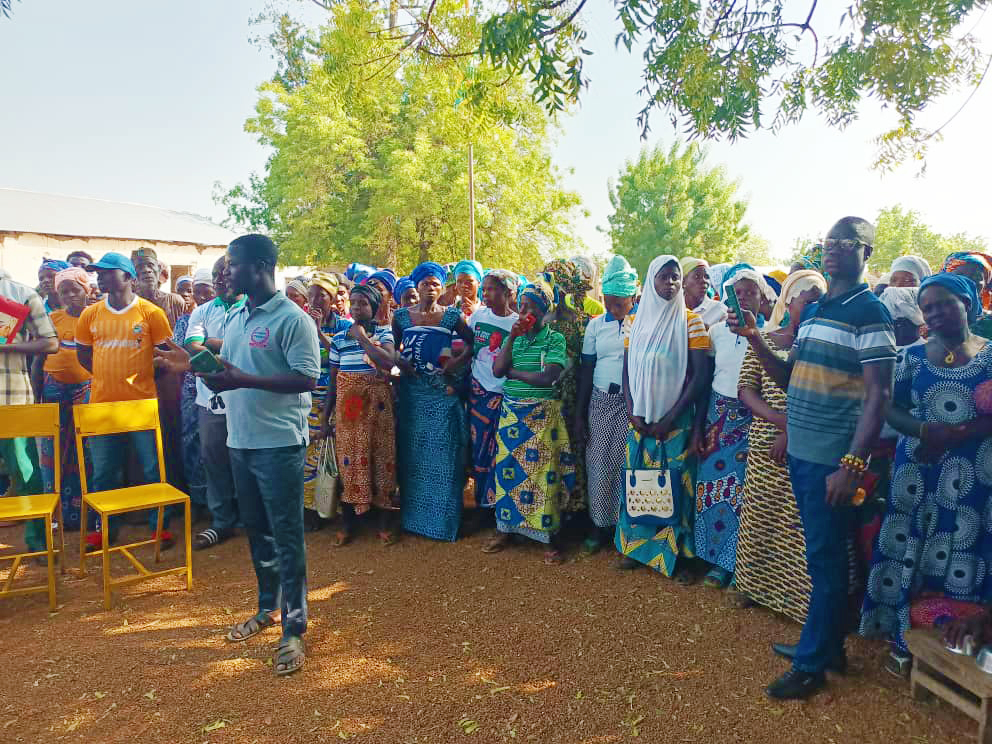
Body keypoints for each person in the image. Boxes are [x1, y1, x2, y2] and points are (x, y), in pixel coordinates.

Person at [728, 216, 896, 700]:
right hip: (801, 451)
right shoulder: (819, 310)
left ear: (867, 252)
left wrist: (852, 465)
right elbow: (789, 381)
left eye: (846, 242)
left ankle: (810, 664)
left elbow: (878, 395)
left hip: (833, 460)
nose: (833, 249)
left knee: (826, 557)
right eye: (828, 241)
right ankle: (828, 648)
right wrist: (757, 340)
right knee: (822, 554)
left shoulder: (870, 312)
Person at [161, 234, 320, 676]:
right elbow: (226, 370)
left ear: (263, 265)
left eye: (234, 264)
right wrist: (193, 365)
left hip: (279, 445)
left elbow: (306, 378)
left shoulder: (293, 319)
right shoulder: (235, 318)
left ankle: (294, 628)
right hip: (240, 442)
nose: (226, 273)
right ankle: (267, 607)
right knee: (258, 533)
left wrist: (241, 381)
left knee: (287, 536)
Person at [860, 274, 992, 675]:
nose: (933, 313)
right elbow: (887, 405)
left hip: (974, 474)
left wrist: (958, 434)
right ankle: (903, 636)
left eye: (943, 303)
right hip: (917, 471)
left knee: (962, 545)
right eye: (927, 306)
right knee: (910, 546)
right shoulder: (912, 355)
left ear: (967, 303)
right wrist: (924, 430)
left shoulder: (990, 354)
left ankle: (955, 644)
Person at [734, 270, 827, 621]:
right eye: (808, 300)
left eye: (820, 300)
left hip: (807, 446)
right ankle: (752, 586)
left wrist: (793, 432)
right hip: (763, 445)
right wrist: (781, 422)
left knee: (796, 527)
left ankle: (796, 601)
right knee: (759, 517)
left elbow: (820, 397)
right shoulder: (766, 339)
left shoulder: (821, 347)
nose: (815, 306)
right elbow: (746, 390)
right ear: (788, 301)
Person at [613, 256, 711, 582]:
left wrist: (671, 417)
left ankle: (680, 556)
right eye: (664, 277)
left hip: (676, 423)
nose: (670, 283)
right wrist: (631, 409)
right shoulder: (635, 321)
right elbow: (626, 371)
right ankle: (638, 549)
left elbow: (699, 378)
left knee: (677, 488)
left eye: (675, 278)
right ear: (650, 281)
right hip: (639, 421)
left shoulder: (692, 322)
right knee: (638, 484)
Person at [75, 253, 175, 549]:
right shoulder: (90, 314)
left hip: (142, 404)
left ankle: (161, 526)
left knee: (152, 467)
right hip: (102, 406)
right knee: (104, 470)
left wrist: (141, 379)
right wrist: (109, 379)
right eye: (98, 273)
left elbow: (166, 355)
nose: (100, 277)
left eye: (108, 272)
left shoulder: (150, 313)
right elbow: (83, 355)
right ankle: (104, 527)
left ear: (128, 277)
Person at [482, 279, 573, 564]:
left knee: (542, 476)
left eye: (530, 308)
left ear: (545, 313)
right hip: (512, 415)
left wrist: (515, 373)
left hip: (542, 415)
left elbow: (549, 378)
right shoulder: (517, 337)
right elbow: (497, 370)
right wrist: (511, 338)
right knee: (507, 472)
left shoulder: (554, 339)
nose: (524, 313)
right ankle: (505, 529)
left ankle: (547, 538)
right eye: (521, 307)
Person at [694, 265, 764, 589]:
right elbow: (705, 378)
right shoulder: (716, 332)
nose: (745, 296)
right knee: (710, 487)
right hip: (715, 418)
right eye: (739, 291)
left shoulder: (770, 334)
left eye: (752, 291)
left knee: (742, 493)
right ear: (727, 297)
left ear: (763, 298)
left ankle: (738, 566)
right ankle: (713, 560)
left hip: (750, 420)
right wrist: (699, 425)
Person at [393, 261, 473, 542]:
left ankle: (444, 523)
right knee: (413, 456)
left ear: (442, 289)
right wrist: (399, 363)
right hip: (413, 395)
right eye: (426, 283)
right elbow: (394, 350)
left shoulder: (452, 317)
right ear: (417, 286)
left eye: (436, 284)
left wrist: (455, 364)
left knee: (444, 456)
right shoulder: (401, 317)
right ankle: (414, 520)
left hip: (441, 393)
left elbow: (473, 344)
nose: (430, 288)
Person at [318, 283, 398, 545]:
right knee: (349, 465)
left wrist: (363, 338)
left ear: (374, 307)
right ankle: (349, 524)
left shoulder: (385, 333)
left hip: (379, 413)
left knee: (382, 461)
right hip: (349, 414)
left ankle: (384, 523)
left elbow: (388, 362)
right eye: (353, 303)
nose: (356, 308)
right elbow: (333, 381)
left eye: (363, 303)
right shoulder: (339, 341)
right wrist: (325, 416)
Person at [575, 255, 638, 553]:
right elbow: (586, 370)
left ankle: (628, 529)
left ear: (633, 298)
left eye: (619, 304)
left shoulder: (644, 324)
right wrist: (579, 415)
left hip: (634, 406)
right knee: (599, 464)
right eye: (608, 302)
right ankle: (600, 527)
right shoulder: (596, 326)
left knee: (630, 464)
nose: (613, 309)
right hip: (601, 401)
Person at [184, 258, 243, 550]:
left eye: (226, 273)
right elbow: (193, 345)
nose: (220, 279)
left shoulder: (251, 309)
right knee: (214, 458)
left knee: (245, 458)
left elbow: (250, 347)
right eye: (217, 274)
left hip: (246, 397)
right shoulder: (202, 310)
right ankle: (221, 520)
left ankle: (249, 517)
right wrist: (229, 345)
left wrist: (214, 343)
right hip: (210, 401)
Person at [0, 265, 58, 555]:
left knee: (25, 473)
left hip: (11, 399)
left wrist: (7, 347)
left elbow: (51, 342)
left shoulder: (20, 294)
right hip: (12, 398)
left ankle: (37, 542)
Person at [35, 268, 94, 535]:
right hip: (53, 390)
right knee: (53, 452)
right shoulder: (52, 318)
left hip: (88, 390)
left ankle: (86, 512)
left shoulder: (96, 317)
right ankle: (56, 514)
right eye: (64, 291)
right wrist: (38, 396)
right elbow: (38, 359)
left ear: (87, 290)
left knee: (87, 451)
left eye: (75, 289)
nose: (70, 295)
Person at [131, 247, 188, 494]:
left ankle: (175, 491)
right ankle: (144, 497)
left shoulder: (173, 301)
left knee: (171, 429)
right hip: (136, 376)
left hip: (168, 376)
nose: (146, 271)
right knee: (140, 432)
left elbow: (178, 339)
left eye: (150, 267)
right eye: (140, 267)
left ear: (159, 271)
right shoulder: (128, 305)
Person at [542, 259, 594, 514]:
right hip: (545, 394)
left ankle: (576, 509)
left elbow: (586, 366)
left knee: (574, 448)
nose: (547, 285)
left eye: (550, 279)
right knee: (550, 451)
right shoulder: (542, 319)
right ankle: (553, 509)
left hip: (572, 397)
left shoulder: (582, 321)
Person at [302, 272, 352, 529]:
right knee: (311, 455)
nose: (315, 300)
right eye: (311, 295)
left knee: (335, 453)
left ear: (332, 299)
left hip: (336, 397)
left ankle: (339, 507)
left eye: (321, 295)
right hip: (308, 399)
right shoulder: (301, 322)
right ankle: (313, 509)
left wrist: (319, 332)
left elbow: (339, 354)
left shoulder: (344, 326)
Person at [466, 270, 518, 511]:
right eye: (484, 289)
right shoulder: (477, 317)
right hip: (478, 395)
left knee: (501, 452)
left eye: (492, 289)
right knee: (478, 452)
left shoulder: (516, 324)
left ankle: (499, 506)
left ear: (508, 293)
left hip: (503, 396)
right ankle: (481, 506)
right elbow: (468, 351)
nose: (485, 294)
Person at [942, 251, 992, 336]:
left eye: (976, 276)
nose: (967, 281)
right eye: (960, 276)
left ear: (985, 284)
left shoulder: (989, 321)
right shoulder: (931, 316)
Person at [681, 257, 726, 328]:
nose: (703, 280)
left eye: (707, 276)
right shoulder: (674, 309)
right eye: (696, 276)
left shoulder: (720, 310)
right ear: (683, 281)